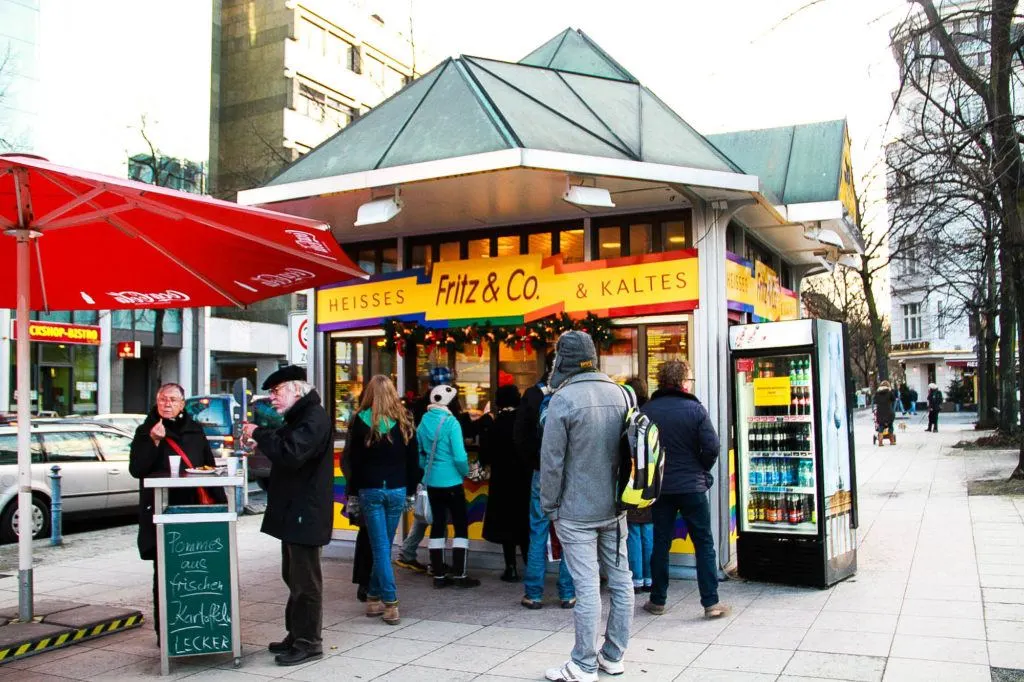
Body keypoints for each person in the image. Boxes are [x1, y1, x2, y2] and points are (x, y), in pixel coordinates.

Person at [541, 331, 632, 682]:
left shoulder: (562, 400)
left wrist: (550, 506)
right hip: (615, 506)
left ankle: (582, 663)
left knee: (587, 586)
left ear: (562, 359)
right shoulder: (620, 393)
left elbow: (551, 462)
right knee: (621, 581)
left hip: (576, 511)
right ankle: (613, 656)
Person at [241, 366, 333, 666]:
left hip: (305, 512)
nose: (272, 399)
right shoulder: (299, 418)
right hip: (294, 512)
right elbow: (283, 441)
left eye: (276, 392)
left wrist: (259, 433)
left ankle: (309, 642)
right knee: (292, 576)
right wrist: (262, 437)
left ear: (296, 390)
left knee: (306, 581)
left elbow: (292, 453)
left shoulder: (314, 417)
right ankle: (296, 634)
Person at [129, 383, 224, 645]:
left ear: (182, 404)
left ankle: (202, 628)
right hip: (162, 510)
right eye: (162, 399)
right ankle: (167, 633)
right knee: (165, 570)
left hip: (194, 509)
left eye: (172, 399)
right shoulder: (146, 430)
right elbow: (137, 469)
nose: (166, 404)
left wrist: (219, 505)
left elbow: (208, 466)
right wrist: (154, 441)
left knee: (201, 570)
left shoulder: (194, 429)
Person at [639, 360, 727, 619]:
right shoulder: (696, 410)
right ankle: (710, 603)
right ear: (682, 382)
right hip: (692, 487)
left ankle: (657, 600)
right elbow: (711, 447)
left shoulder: (647, 410)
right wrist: (701, 468)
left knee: (661, 543)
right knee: (703, 543)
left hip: (660, 488)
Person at [345, 375, 420, 625]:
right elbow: (413, 462)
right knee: (382, 547)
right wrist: (410, 490)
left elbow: (354, 463)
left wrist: (352, 493)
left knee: (380, 548)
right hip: (398, 489)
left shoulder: (359, 421)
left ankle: (388, 602)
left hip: (371, 490)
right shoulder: (405, 420)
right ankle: (377, 598)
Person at [515, 354, 576, 610]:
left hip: (542, 472)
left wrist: (535, 462)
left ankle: (534, 593)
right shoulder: (574, 396)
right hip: (570, 474)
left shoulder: (534, 396)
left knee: (538, 531)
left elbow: (519, 436)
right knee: (570, 533)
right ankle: (568, 593)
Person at [418, 383, 482, 588]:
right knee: (460, 525)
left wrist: (427, 469)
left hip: (432, 482)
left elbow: (419, 453)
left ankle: (438, 574)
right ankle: (460, 574)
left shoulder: (424, 421)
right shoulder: (452, 423)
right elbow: (460, 456)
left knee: (438, 524)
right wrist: (466, 472)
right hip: (453, 482)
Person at [479, 384, 531, 582]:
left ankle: (511, 568)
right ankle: (531, 567)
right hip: (523, 480)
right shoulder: (524, 422)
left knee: (506, 527)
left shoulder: (496, 424)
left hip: (502, 481)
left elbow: (485, 454)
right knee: (525, 525)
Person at [622, 377, 653, 594]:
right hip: (651, 477)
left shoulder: (628, 416)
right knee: (648, 528)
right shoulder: (652, 413)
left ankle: (637, 578)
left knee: (633, 529)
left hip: (632, 477)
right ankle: (651, 577)